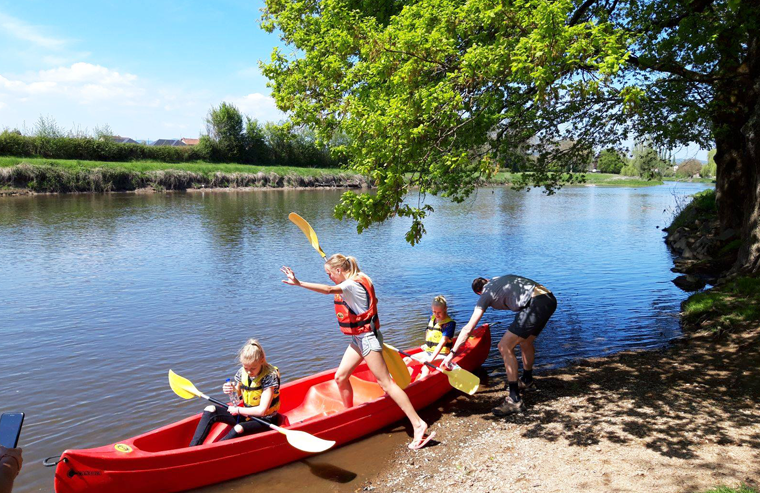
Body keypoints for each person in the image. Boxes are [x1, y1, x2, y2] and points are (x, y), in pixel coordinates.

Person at [281, 254, 435, 450]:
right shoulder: (362, 277)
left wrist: (299, 282)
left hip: (367, 339)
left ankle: (418, 424)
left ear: (339, 270)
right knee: (341, 377)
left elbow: (329, 290)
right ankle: (350, 415)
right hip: (360, 338)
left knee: (385, 383)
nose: (329, 277)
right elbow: (374, 299)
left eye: (329, 273)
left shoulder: (351, 285)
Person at [442, 275, 556, 416]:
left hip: (535, 304)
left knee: (504, 346)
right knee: (525, 341)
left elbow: (467, 329)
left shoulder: (485, 295)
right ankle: (527, 380)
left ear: (479, 292)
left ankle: (514, 400)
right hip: (549, 299)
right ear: (487, 281)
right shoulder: (497, 279)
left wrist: (452, 353)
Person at [189, 339, 281, 446]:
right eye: (246, 368)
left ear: (261, 360)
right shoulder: (242, 372)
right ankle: (193, 448)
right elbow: (237, 398)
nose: (249, 372)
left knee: (238, 428)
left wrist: (237, 410)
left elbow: (262, 411)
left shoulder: (269, 376)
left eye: (253, 368)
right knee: (210, 409)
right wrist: (231, 389)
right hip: (246, 415)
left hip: (266, 420)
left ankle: (210, 452)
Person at [405, 295, 456, 378]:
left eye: (439, 312)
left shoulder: (450, 324)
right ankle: (394, 382)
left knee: (426, 366)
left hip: (442, 354)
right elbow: (428, 331)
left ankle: (419, 385)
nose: (436, 315)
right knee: (406, 360)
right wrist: (426, 345)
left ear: (445, 309)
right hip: (428, 351)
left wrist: (431, 358)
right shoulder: (432, 318)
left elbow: (443, 341)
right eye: (434, 312)